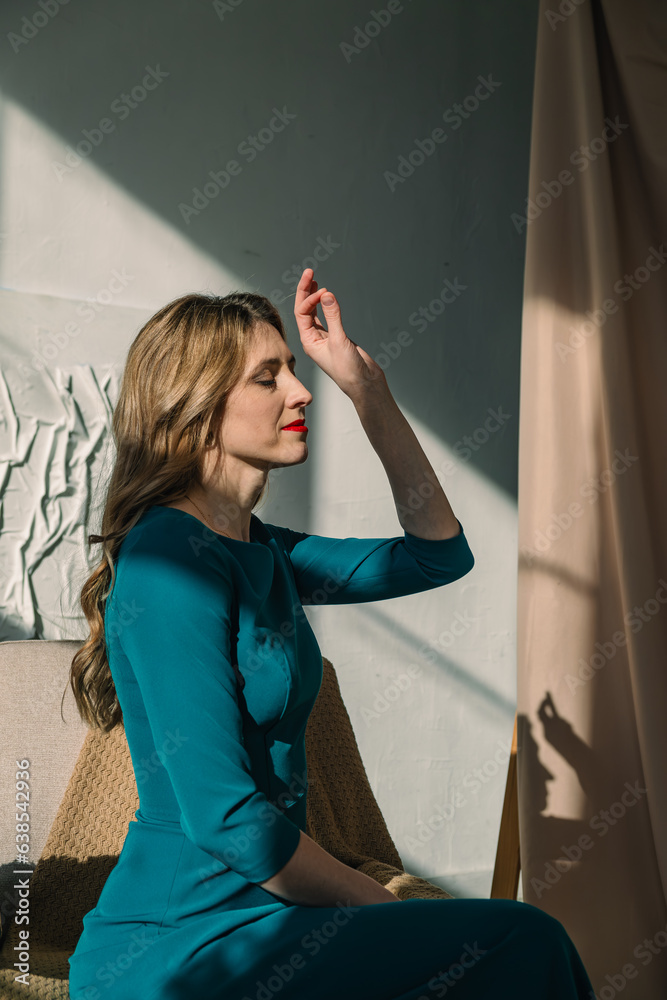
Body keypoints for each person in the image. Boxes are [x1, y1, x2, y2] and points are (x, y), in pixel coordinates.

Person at [67, 268, 595, 999]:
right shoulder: (166, 562)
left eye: (294, 368)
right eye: (267, 377)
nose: (300, 389)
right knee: (520, 938)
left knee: (515, 944)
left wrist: (366, 390)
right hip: (183, 943)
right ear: (194, 406)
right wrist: (375, 900)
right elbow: (223, 816)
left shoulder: (262, 550)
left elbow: (437, 553)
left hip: (275, 919)